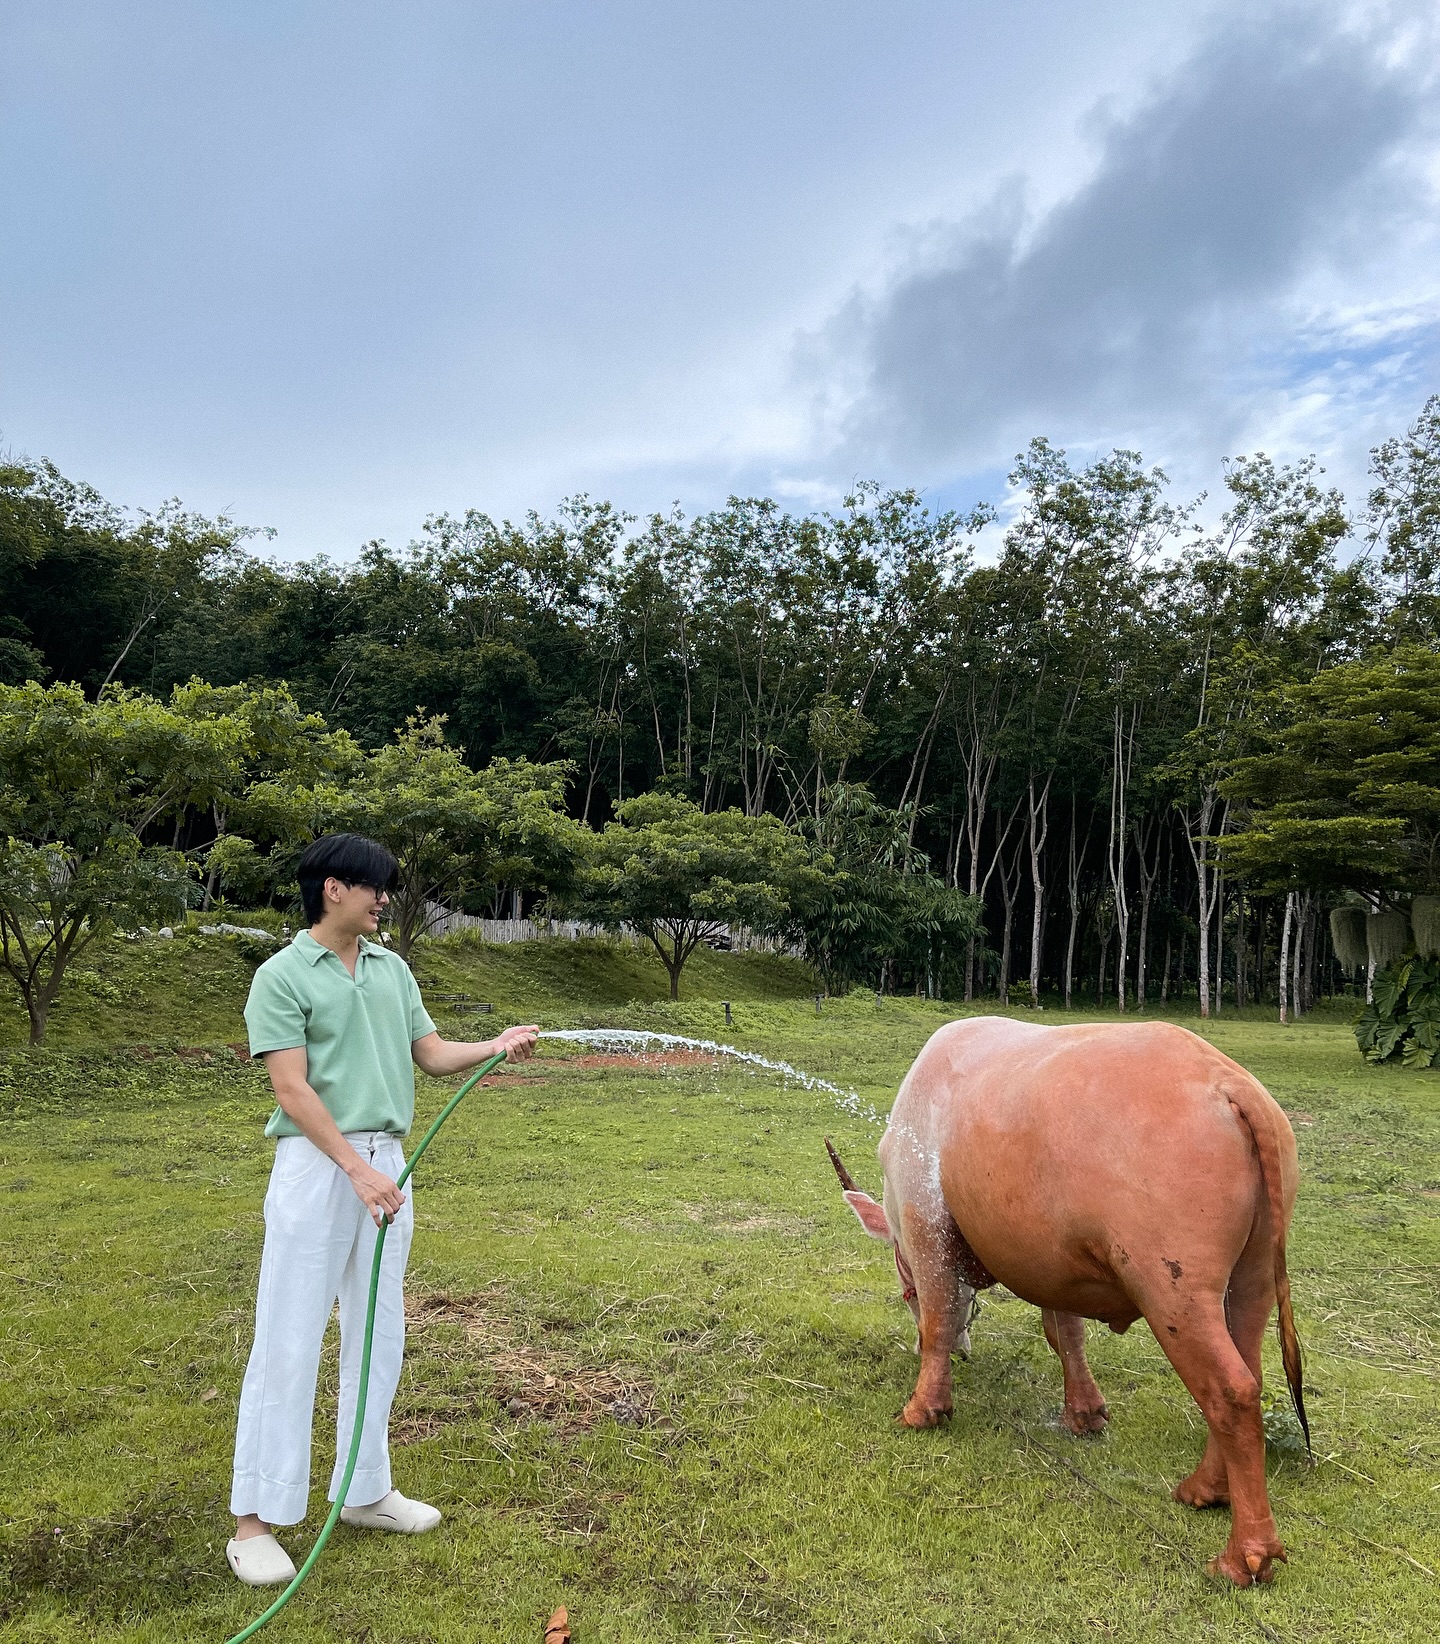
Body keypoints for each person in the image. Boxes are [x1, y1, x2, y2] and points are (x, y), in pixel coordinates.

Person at [226, 833, 538, 1586]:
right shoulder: (281, 976)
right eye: (375, 888)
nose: (386, 899)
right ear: (334, 889)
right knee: (289, 1336)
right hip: (319, 1168)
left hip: (385, 1166)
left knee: (379, 1333)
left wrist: (492, 1046)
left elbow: (427, 1053)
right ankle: (253, 1522)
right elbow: (292, 1090)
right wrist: (354, 1170)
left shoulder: (392, 968)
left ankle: (365, 1490)